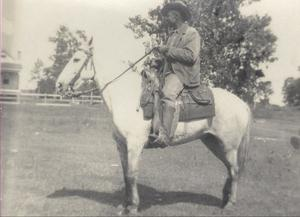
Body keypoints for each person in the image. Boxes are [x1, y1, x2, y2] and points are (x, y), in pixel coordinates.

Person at [153, 1, 201, 148]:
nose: (167, 17)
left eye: (169, 14)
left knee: (168, 94)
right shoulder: (172, 35)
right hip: (167, 73)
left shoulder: (192, 33)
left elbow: (191, 56)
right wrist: (158, 62)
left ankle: (165, 135)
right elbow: (170, 57)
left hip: (182, 74)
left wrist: (167, 50)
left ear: (177, 14)